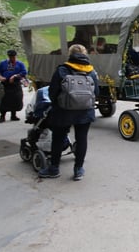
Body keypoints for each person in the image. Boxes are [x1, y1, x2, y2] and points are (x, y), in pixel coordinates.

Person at [38, 44, 99, 181]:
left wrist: (58, 104)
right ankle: (78, 169)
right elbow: (96, 92)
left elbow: (52, 92)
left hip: (63, 111)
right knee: (81, 139)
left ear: (70, 54)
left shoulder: (62, 70)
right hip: (85, 111)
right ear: (85, 54)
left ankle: (54, 169)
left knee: (58, 139)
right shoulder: (91, 71)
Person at [0, 49, 28, 122]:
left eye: (13, 57)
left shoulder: (20, 64)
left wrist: (15, 76)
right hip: (5, 84)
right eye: (10, 57)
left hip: (15, 84)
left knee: (16, 99)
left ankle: (13, 115)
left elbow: (24, 72)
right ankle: (2, 116)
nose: (12, 58)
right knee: (4, 100)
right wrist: (0, 77)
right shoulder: (3, 63)